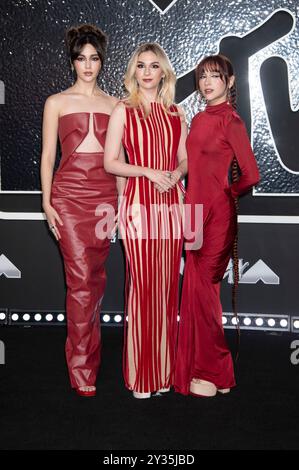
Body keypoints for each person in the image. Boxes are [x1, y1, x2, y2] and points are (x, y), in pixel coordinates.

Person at [40, 24, 124, 397]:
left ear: (101, 61)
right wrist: (46, 202)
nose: (87, 66)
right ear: (72, 61)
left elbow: (119, 158)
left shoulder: (115, 105)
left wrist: (121, 204)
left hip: (105, 198)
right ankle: (80, 367)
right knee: (79, 284)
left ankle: (91, 357)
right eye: (80, 59)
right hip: (69, 199)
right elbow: (47, 157)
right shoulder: (56, 102)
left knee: (97, 282)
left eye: (93, 59)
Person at [104, 43, 187, 398]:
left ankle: (164, 373)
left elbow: (185, 160)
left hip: (172, 204)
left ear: (164, 72)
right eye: (141, 66)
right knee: (142, 287)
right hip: (138, 203)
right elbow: (111, 162)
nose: (148, 72)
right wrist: (150, 172)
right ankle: (141, 376)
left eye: (155, 66)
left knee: (167, 289)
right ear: (133, 72)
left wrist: (175, 173)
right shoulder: (123, 110)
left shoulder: (177, 112)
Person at [175, 54, 260, 397]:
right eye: (202, 77)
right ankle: (218, 373)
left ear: (229, 82)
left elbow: (251, 174)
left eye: (214, 76)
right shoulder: (197, 119)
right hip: (193, 213)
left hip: (217, 217)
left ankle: (212, 370)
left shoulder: (231, 121)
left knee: (206, 293)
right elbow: (190, 165)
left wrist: (227, 193)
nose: (207, 83)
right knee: (194, 294)